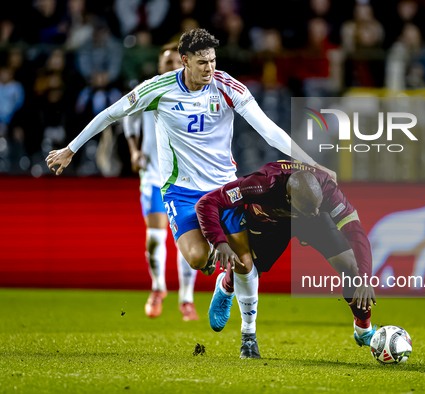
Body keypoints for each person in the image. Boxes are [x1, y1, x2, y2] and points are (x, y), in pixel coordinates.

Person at [45, 29, 334, 338]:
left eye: (212, 60)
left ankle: (247, 331)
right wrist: (71, 149)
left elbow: (268, 130)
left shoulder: (227, 86)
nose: (209, 68)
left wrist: (310, 162)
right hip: (180, 191)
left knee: (245, 262)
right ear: (184, 62)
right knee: (197, 259)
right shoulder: (159, 88)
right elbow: (110, 114)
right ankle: (204, 274)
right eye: (201, 62)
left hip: (225, 188)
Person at [196, 161, 376, 359]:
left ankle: (363, 330)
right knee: (247, 266)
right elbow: (207, 203)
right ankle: (226, 285)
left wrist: (365, 279)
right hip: (271, 223)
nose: (315, 212)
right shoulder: (261, 184)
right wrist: (219, 241)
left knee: (353, 268)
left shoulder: (327, 189)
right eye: (310, 209)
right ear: (288, 198)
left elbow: (355, 231)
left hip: (311, 223)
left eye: (317, 206)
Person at [122, 42, 198, 322]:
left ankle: (186, 299)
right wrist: (134, 151)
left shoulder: (195, 96)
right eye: (167, 63)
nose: (172, 67)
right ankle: (157, 288)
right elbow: (128, 122)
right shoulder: (148, 92)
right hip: (154, 176)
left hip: (186, 179)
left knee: (186, 241)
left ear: (185, 64)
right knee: (155, 238)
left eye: (177, 63)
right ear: (159, 67)